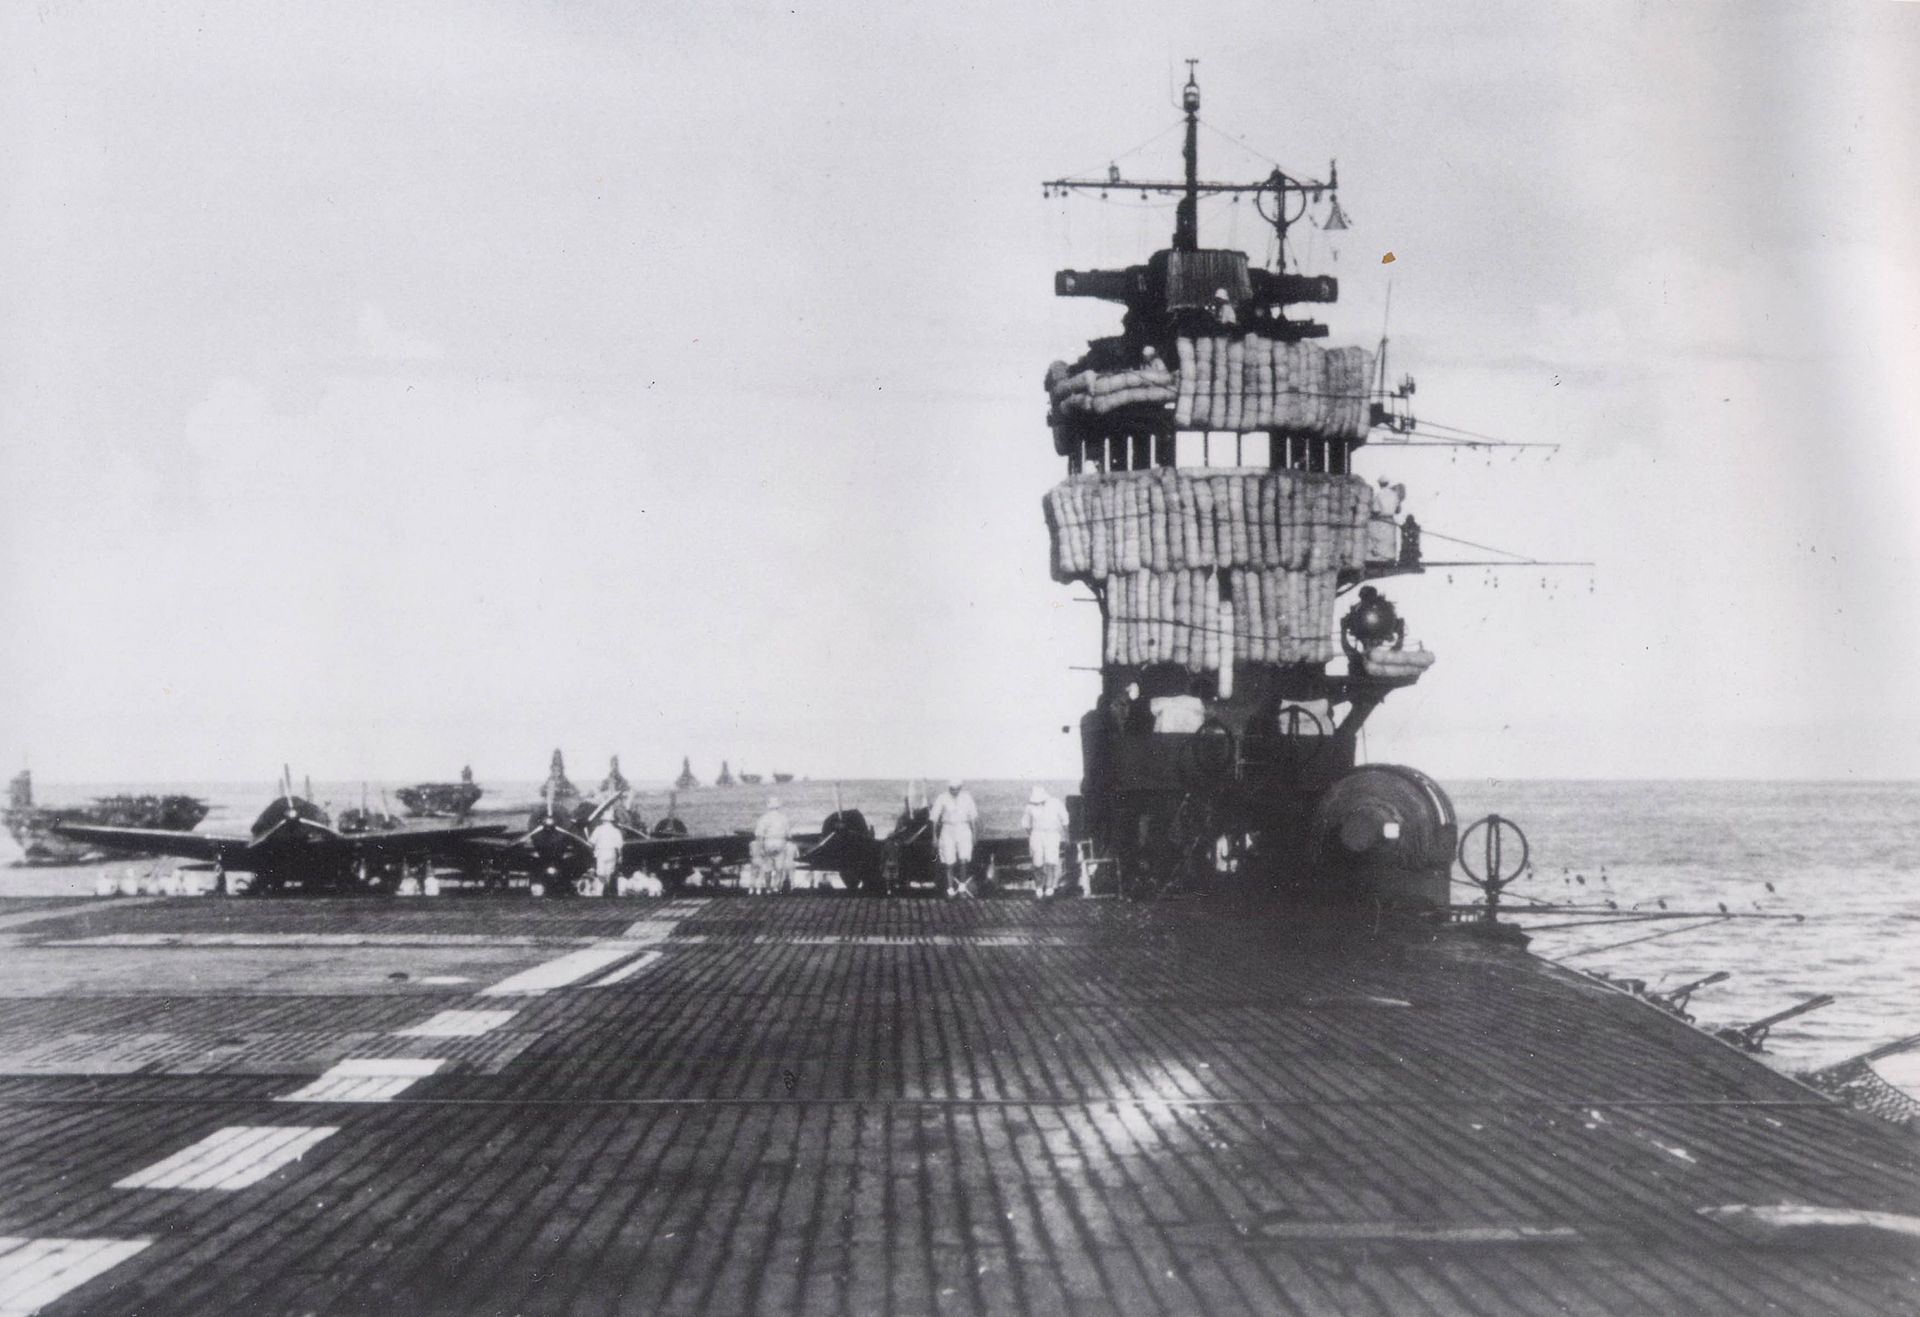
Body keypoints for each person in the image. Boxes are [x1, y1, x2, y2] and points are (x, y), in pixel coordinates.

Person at [929, 779, 979, 897]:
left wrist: (974, 834)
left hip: (963, 828)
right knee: (948, 861)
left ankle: (962, 888)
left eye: (956, 789)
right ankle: (950, 890)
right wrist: (934, 837)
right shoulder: (942, 798)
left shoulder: (967, 797)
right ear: (948, 788)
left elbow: (973, 818)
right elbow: (934, 819)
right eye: (952, 789)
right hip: (947, 829)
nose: (954, 791)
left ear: (960, 788)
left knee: (963, 859)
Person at [1021, 786, 1071, 898]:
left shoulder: (1056, 803)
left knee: (1051, 861)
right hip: (1037, 834)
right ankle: (1039, 887)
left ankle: (1049, 887)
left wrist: (1067, 836)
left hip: (1052, 834)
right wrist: (1033, 835)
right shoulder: (1030, 806)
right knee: (1037, 862)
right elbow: (1026, 824)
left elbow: (1065, 820)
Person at [752, 796, 792, 895]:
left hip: (768, 842)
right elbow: (789, 835)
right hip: (780, 842)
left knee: (768, 867)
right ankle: (776, 887)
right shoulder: (784, 818)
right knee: (779, 867)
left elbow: (759, 835)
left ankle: (768, 888)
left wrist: (760, 848)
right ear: (778, 806)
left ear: (768, 806)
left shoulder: (763, 818)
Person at [589, 813, 625, 897]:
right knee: (608, 873)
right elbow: (619, 845)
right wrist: (620, 856)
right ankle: (606, 890)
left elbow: (591, 842)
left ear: (603, 820)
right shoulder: (616, 831)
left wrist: (593, 849)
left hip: (601, 853)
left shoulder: (598, 829)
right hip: (612, 853)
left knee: (600, 872)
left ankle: (599, 892)